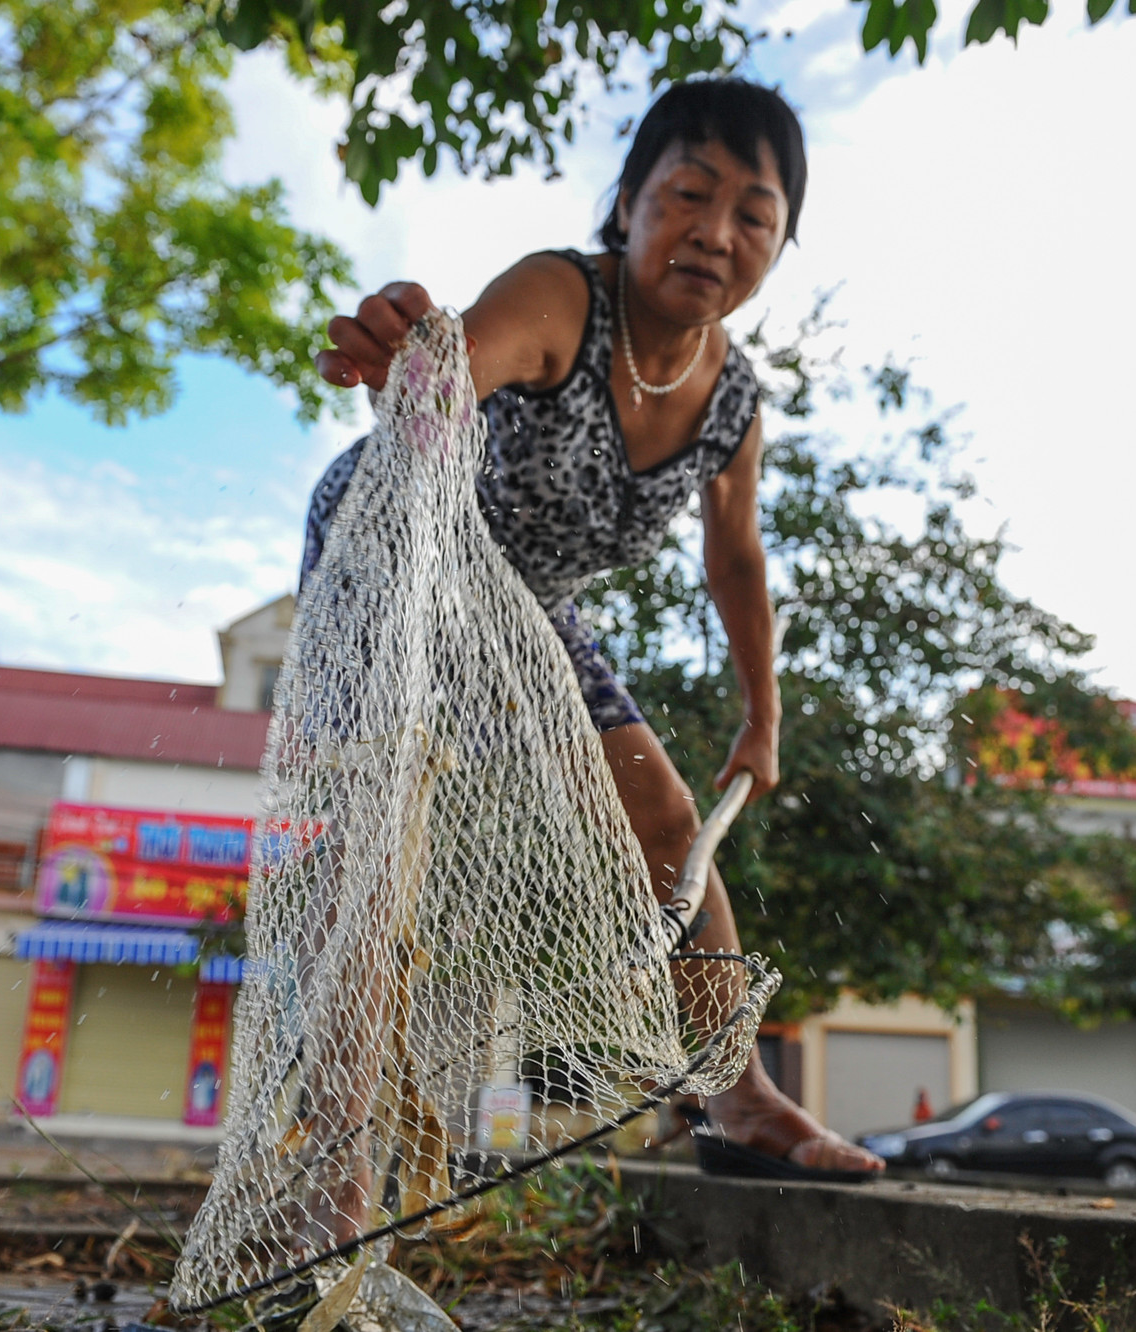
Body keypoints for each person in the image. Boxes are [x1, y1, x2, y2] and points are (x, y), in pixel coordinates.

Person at [306, 77, 882, 1181]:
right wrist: (410, 363)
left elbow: (735, 558)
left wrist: (763, 718)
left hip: (527, 609)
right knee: (380, 845)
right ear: (627, 204)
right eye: (687, 194)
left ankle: (741, 1102)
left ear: (777, 245)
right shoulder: (561, 298)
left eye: (753, 215)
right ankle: (334, 1156)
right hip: (396, 556)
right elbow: (452, 369)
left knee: (669, 829)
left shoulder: (733, 400)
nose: (714, 234)